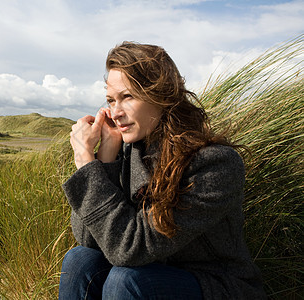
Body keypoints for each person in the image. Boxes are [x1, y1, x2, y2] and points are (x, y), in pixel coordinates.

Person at [58, 42, 266, 299]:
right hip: (146, 271)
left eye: (128, 97)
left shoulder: (214, 165)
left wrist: (85, 162)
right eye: (111, 100)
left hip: (213, 284)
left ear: (161, 95)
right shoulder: (129, 152)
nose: (116, 112)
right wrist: (104, 159)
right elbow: (87, 239)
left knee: (127, 280)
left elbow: (131, 249)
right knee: (80, 260)